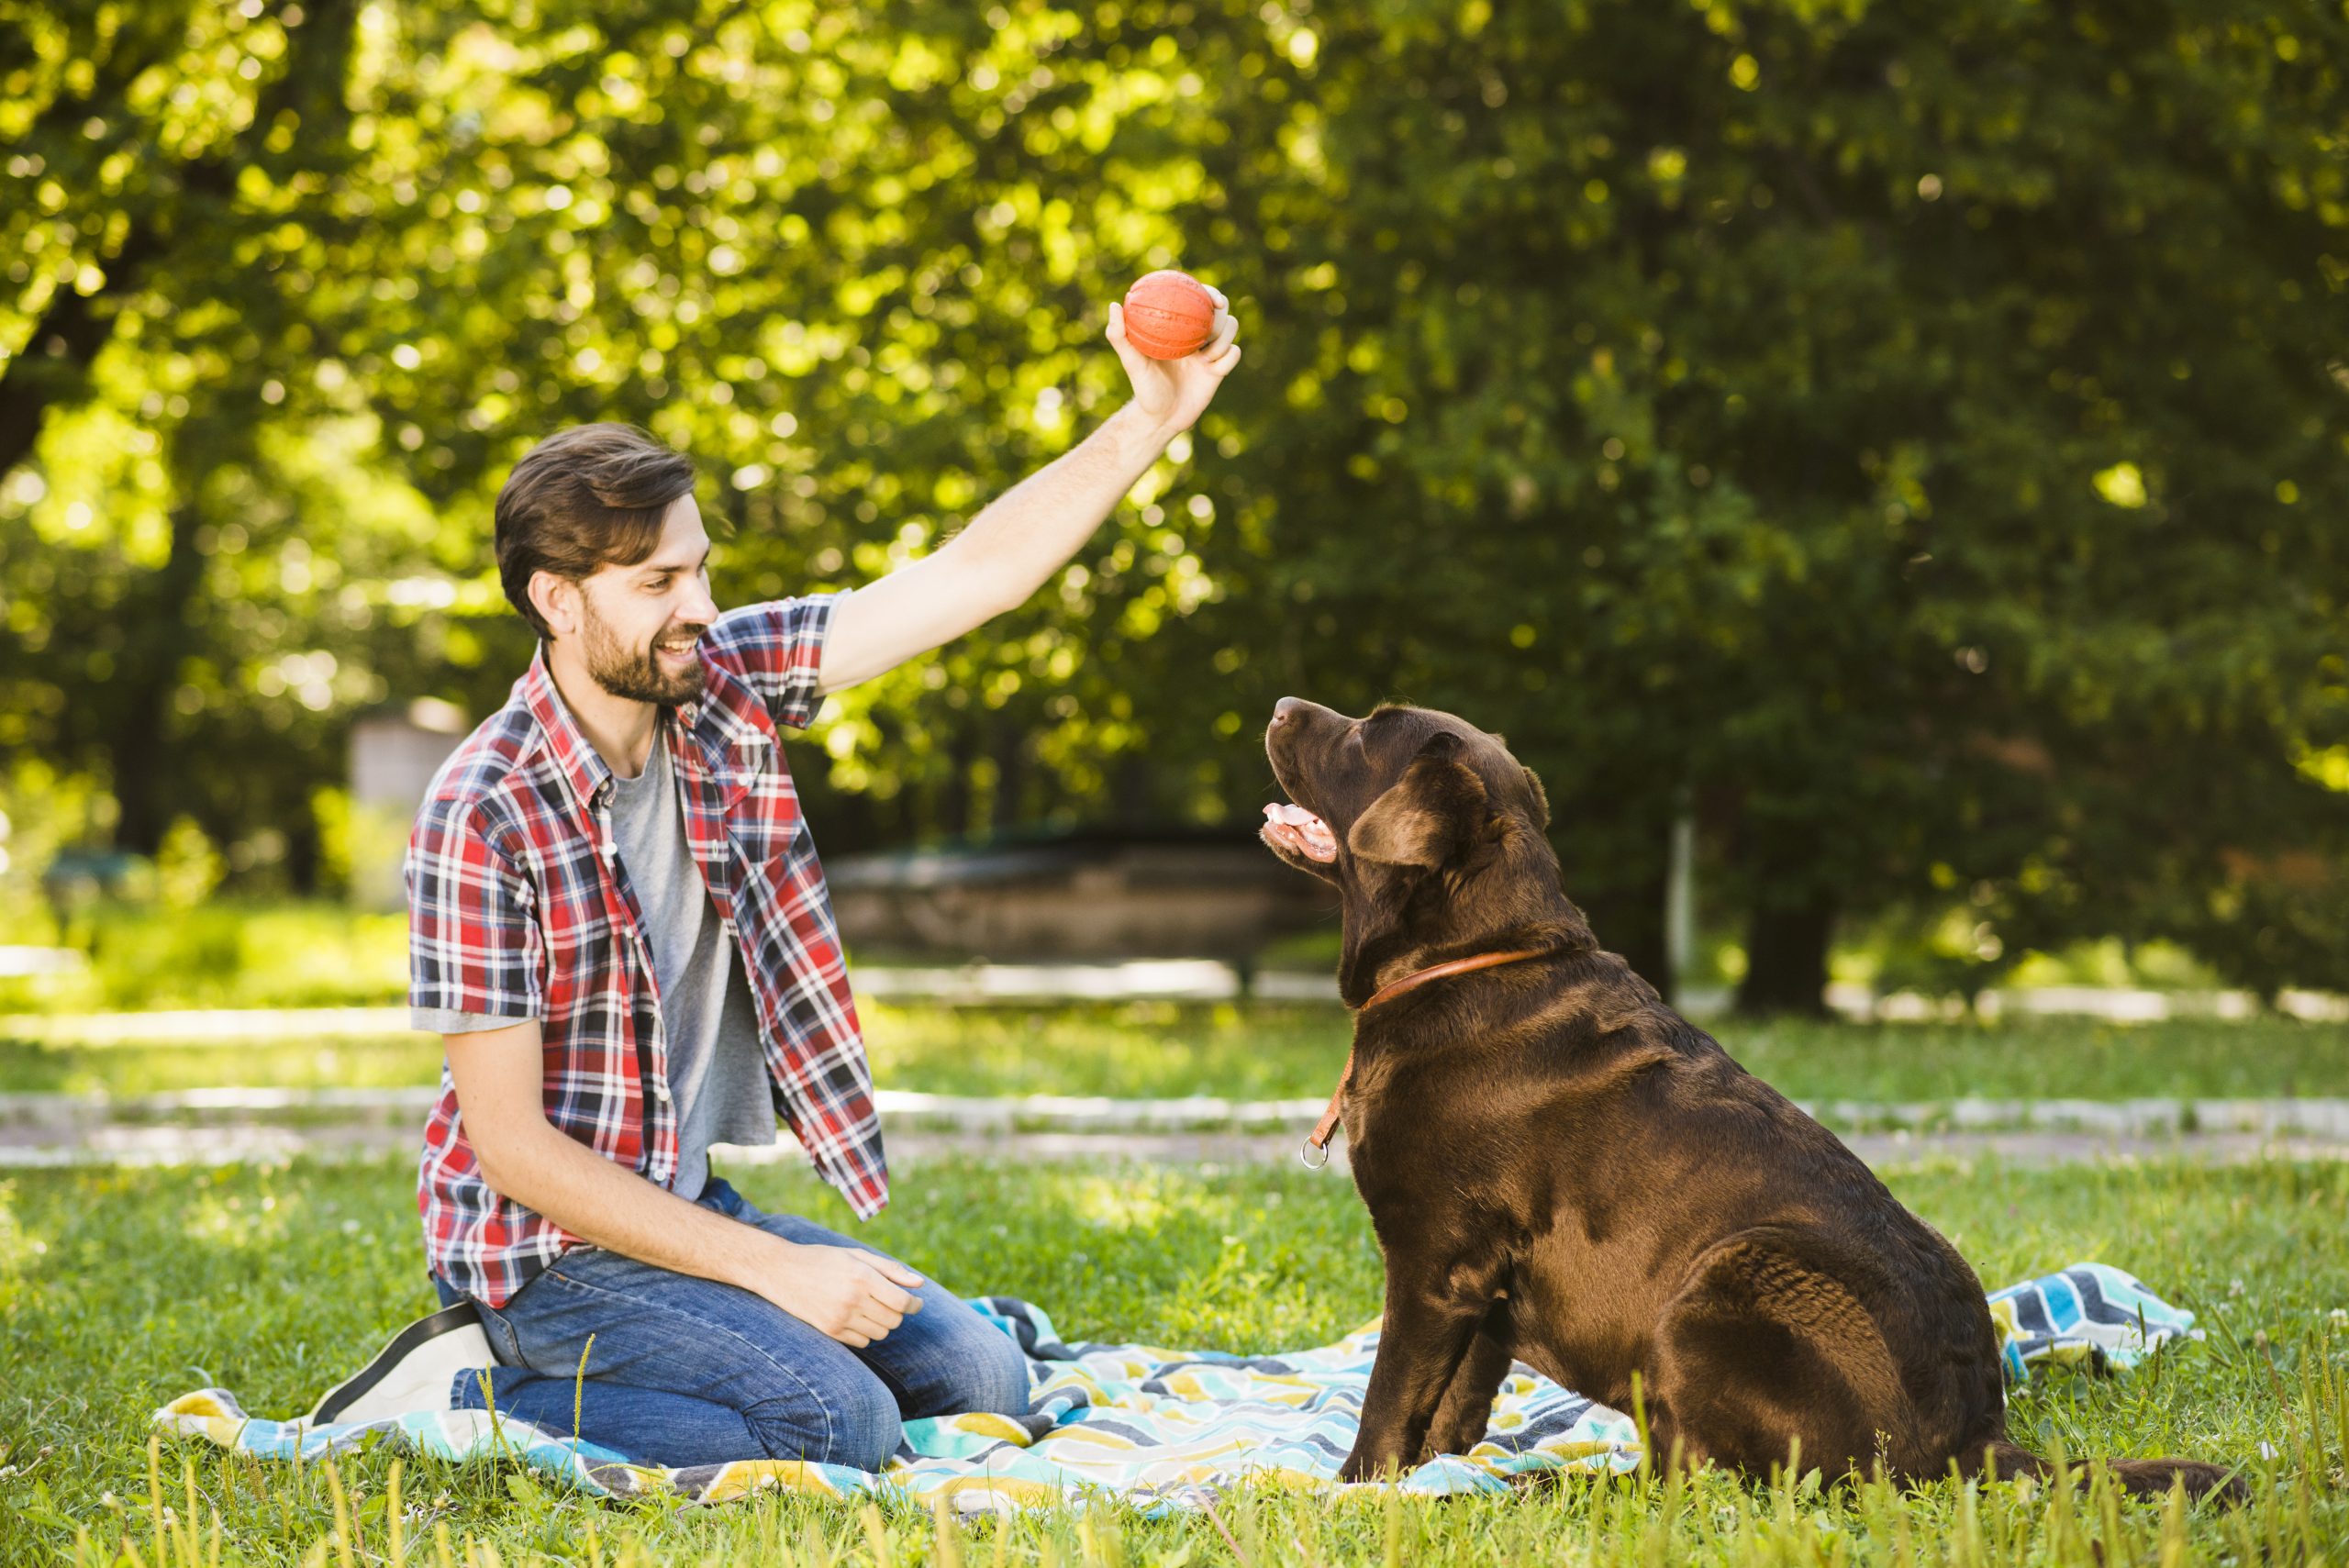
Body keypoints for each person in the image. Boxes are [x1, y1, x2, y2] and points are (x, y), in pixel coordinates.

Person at [306, 293, 1241, 1469]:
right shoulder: (481, 811)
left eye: (698, 570)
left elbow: (972, 579)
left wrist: (1148, 419)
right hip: (544, 1253)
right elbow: (512, 1147)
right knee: (832, 1422)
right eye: (656, 582)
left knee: (979, 1375)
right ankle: (462, 1395)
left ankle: (731, 1338)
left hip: (678, 1201)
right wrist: (777, 1271)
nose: (697, 606)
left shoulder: (719, 679)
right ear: (557, 598)